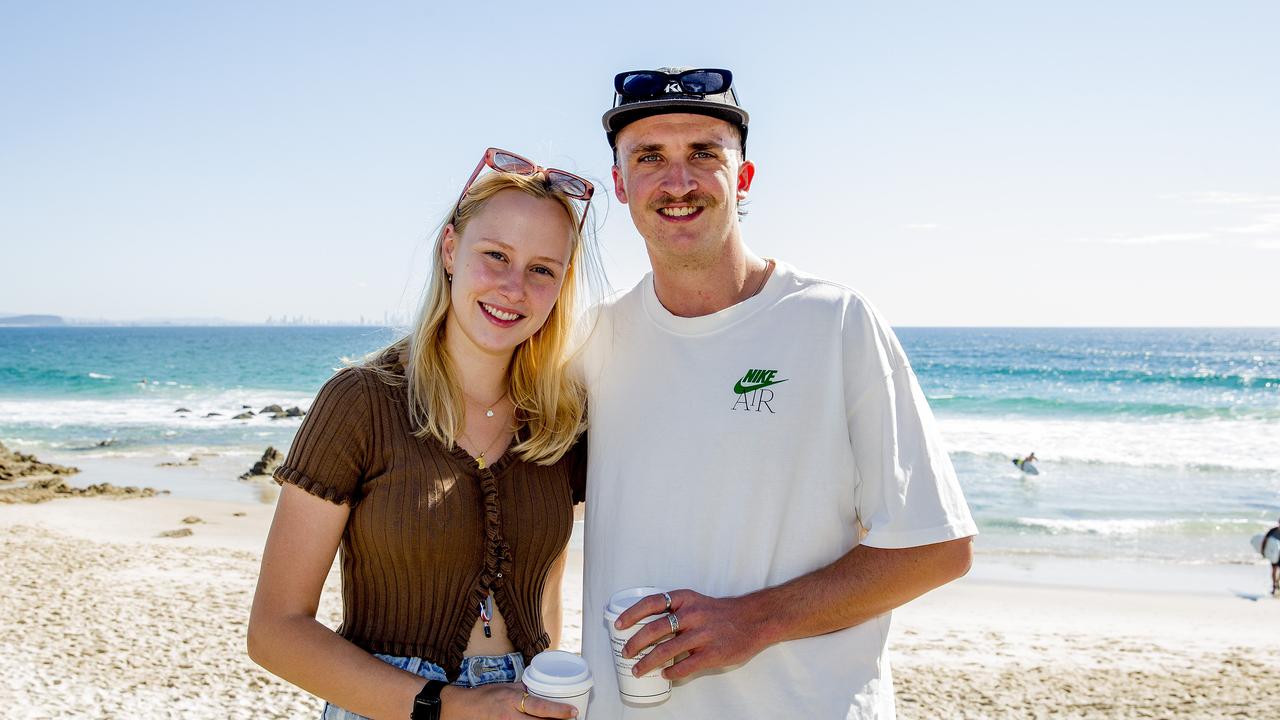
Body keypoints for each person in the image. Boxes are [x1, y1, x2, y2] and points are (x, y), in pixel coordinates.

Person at [575, 67, 979, 718]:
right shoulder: (593, 343)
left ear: (744, 177)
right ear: (621, 184)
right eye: (650, 156)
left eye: (703, 153)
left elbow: (936, 546)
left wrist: (754, 621)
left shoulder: (834, 323)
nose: (677, 181)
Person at [248, 147, 597, 720]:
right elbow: (274, 632)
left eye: (542, 269)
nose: (515, 287)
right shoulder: (361, 400)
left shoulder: (561, 421)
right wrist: (453, 706)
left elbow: (546, 600)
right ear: (451, 250)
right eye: (496, 255)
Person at [1264, 517, 1280, 595]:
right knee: (1274, 570)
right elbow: (1265, 540)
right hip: (1274, 555)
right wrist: (1263, 551)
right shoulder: (1272, 531)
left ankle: (1277, 583)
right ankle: (1274, 586)